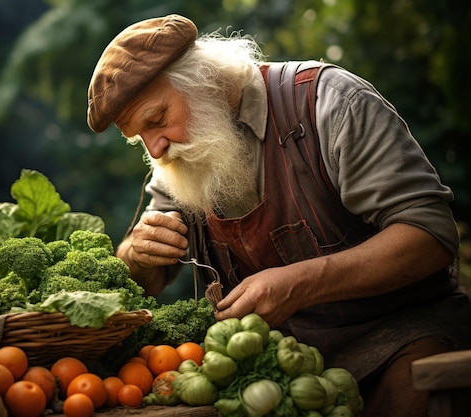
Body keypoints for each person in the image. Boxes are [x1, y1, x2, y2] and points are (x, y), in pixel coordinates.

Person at [86, 14, 471, 417]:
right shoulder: (181, 155)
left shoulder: (331, 103)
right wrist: (136, 253)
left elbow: (431, 234)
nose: (157, 149)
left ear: (205, 80)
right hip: (272, 374)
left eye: (156, 120)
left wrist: (300, 283)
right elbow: (149, 280)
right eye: (140, 138)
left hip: (404, 341)